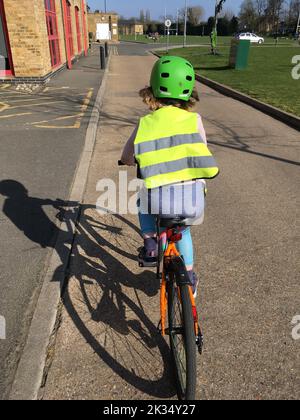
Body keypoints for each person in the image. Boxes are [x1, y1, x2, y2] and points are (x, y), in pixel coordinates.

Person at [120, 56, 219, 297]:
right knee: (183, 232)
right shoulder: (194, 120)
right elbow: (201, 148)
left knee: (142, 201)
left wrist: (126, 161)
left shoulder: (145, 122)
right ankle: (190, 277)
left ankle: (151, 242)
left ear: (152, 90)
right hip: (191, 199)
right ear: (189, 93)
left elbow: (128, 153)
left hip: (159, 198)